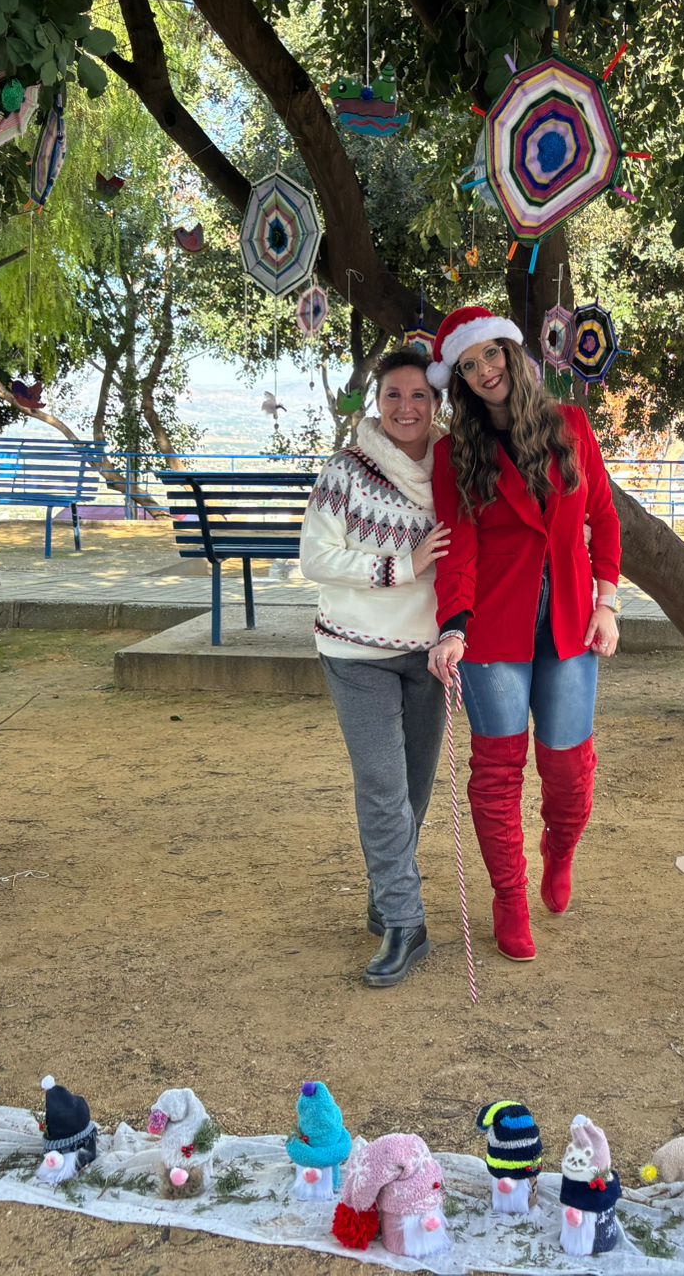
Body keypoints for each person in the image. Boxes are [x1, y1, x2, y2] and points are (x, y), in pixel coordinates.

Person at [423, 305, 622, 962]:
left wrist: (607, 603)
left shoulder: (572, 427)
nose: (484, 371)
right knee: (497, 772)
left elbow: (603, 517)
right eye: (468, 365)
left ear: (510, 352)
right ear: (459, 379)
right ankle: (509, 896)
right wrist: (453, 627)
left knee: (568, 768)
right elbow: (458, 547)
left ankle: (559, 851)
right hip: (493, 628)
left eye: (490, 354)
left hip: (570, 622)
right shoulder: (455, 453)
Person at [299, 352, 452, 987]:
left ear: (437, 403)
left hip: (432, 652)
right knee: (383, 786)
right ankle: (405, 922)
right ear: (377, 401)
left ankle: (387, 892)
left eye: (419, 395)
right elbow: (315, 557)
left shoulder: (456, 468)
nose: (406, 408)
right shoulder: (346, 471)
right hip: (356, 651)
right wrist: (401, 565)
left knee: (413, 790)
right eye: (393, 394)